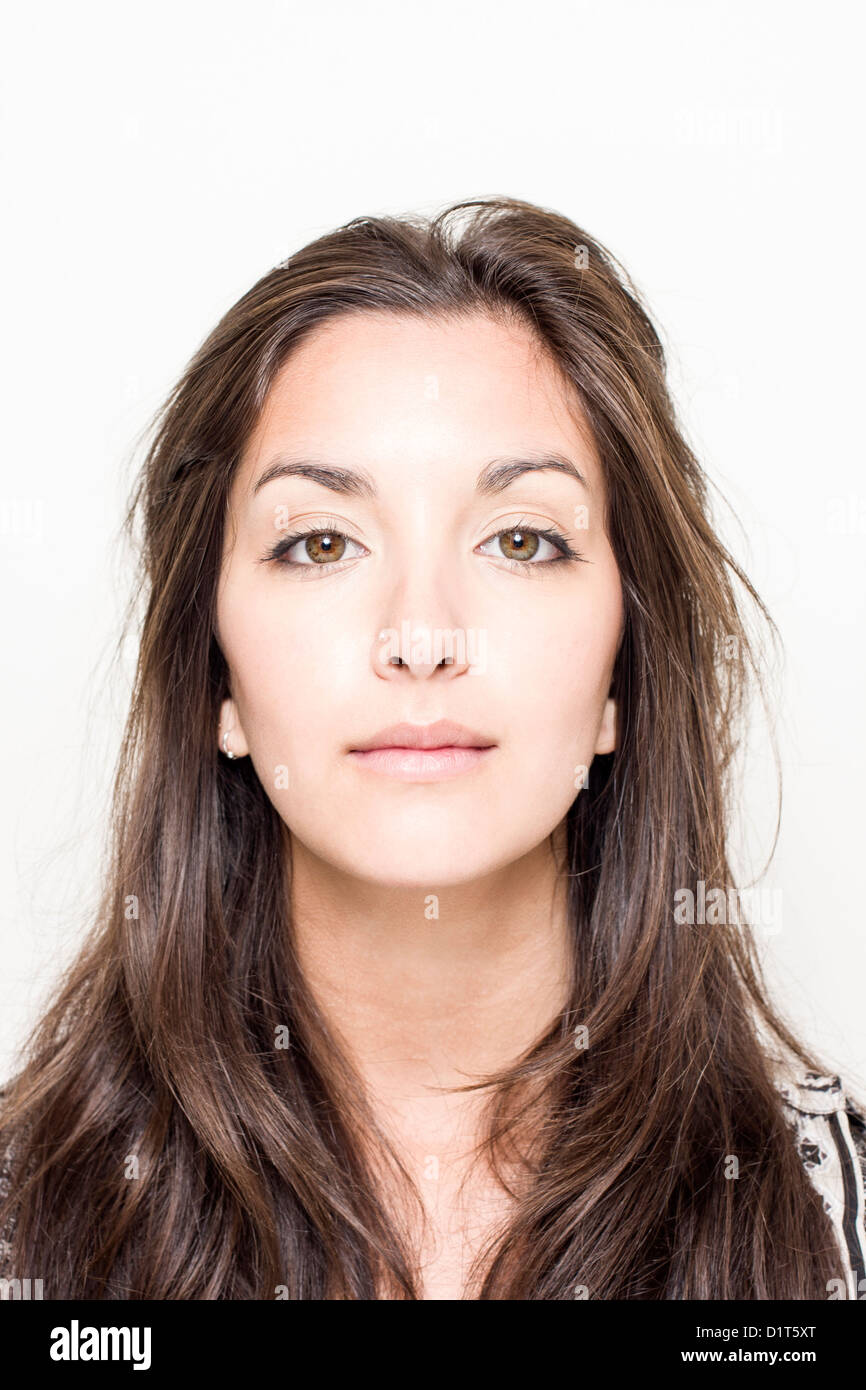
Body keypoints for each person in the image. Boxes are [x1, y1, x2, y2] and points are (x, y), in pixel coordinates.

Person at [1, 196, 864, 1300]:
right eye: (320, 542)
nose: (419, 635)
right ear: (214, 675)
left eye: (519, 539)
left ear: (620, 675)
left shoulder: (831, 1226)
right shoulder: (28, 1228)